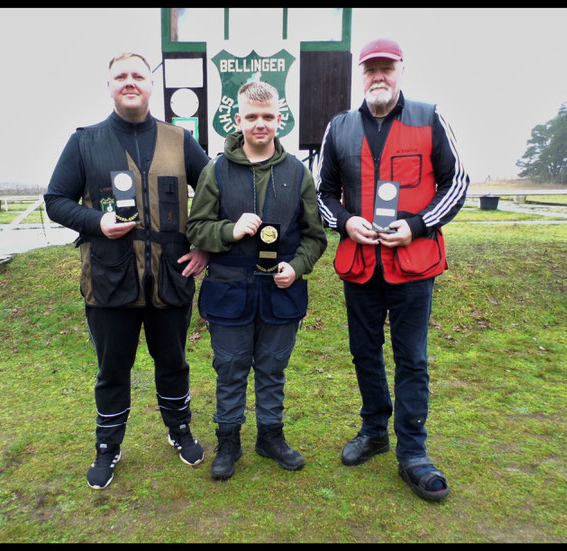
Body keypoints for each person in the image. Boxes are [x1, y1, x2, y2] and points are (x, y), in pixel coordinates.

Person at [45, 52, 211, 490]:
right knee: (112, 369)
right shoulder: (85, 141)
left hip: (171, 278)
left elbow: (215, 192)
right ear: (109, 85)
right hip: (108, 278)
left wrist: (205, 249)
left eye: (139, 75)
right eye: (121, 76)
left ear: (152, 85)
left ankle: (180, 430)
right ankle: (107, 446)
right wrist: (95, 222)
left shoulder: (180, 140)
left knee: (173, 362)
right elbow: (56, 200)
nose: (130, 82)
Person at [316, 38, 469, 501]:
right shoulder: (338, 128)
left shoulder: (429, 117)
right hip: (361, 265)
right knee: (364, 353)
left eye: (386, 68)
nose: (378, 76)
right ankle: (374, 430)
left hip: (412, 265)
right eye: (370, 69)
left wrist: (418, 226)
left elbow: (456, 183)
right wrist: (345, 222)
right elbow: (322, 194)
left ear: (401, 69)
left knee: (412, 359)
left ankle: (414, 453)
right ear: (359, 75)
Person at [186, 81, 327, 480]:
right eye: (251, 117)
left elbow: (315, 236)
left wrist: (297, 267)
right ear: (238, 120)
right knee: (230, 369)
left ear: (280, 119)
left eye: (267, 117)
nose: (259, 124)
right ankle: (228, 441)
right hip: (230, 290)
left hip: (281, 293)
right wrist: (229, 231)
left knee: (272, 368)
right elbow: (196, 229)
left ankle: (270, 437)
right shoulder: (216, 171)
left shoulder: (298, 173)